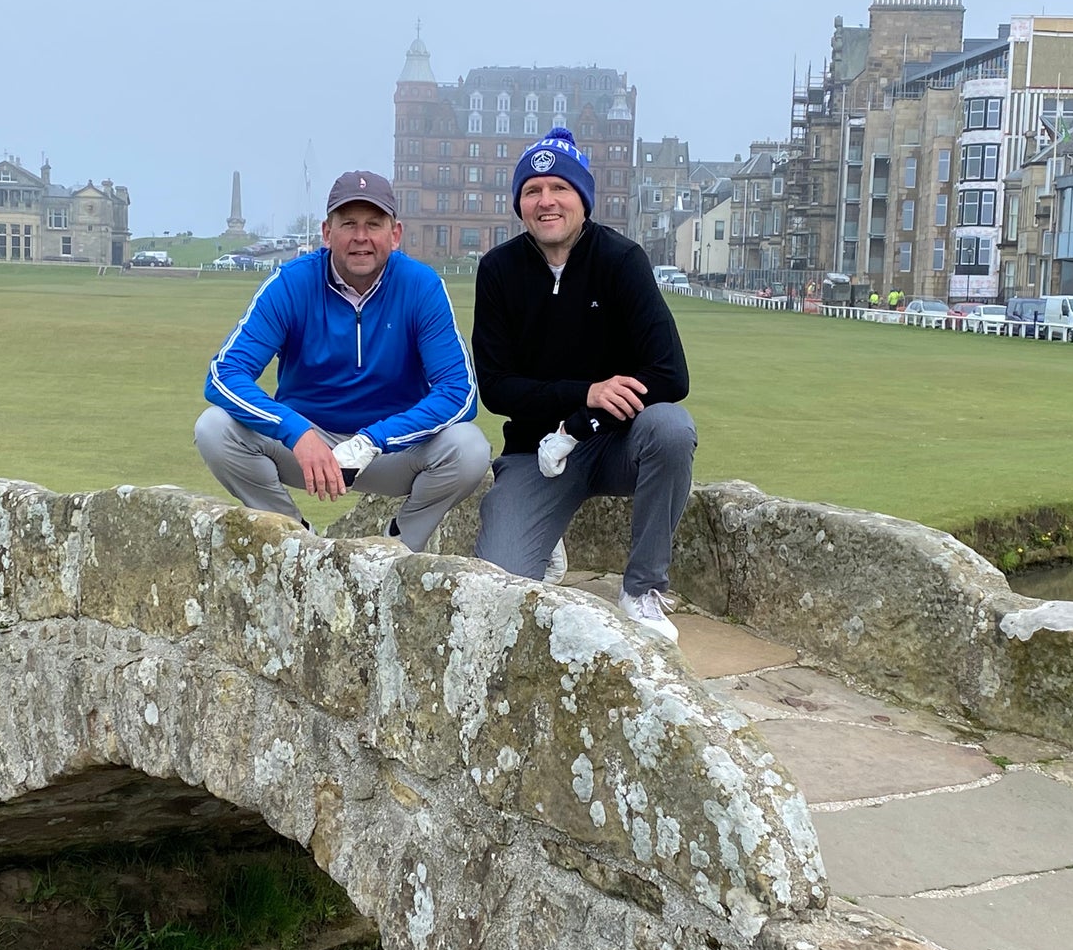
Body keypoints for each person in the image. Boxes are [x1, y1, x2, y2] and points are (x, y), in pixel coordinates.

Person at [470, 129, 696, 644]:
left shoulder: (622, 260)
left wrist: (582, 420)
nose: (546, 201)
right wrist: (586, 391)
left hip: (618, 444)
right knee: (497, 588)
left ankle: (642, 590)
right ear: (520, 205)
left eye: (559, 189)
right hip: (535, 454)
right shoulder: (498, 270)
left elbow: (670, 375)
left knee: (672, 429)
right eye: (532, 191)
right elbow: (498, 390)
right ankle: (545, 541)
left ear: (583, 199)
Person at [194, 171, 489, 550]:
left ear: (395, 234)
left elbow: (459, 392)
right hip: (307, 446)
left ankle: (396, 547)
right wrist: (297, 432)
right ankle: (296, 541)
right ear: (327, 232)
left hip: (389, 450)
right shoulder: (291, 283)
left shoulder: (421, 286)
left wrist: (374, 440)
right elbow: (224, 374)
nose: (361, 237)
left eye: (374, 224)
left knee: (469, 448)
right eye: (348, 223)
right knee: (214, 428)